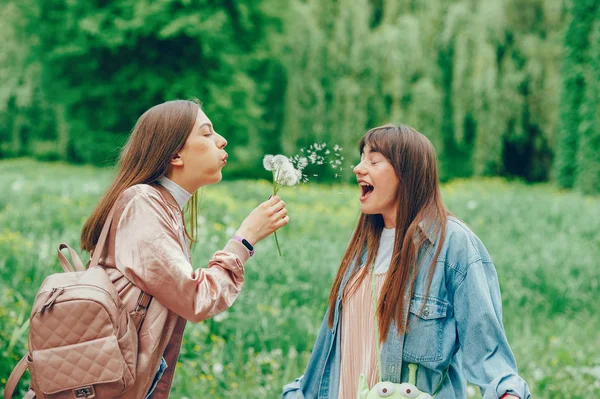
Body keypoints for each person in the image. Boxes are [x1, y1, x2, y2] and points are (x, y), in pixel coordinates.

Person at [283, 125, 530, 399]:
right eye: (361, 157)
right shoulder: (362, 247)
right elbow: (330, 355)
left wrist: (508, 393)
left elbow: (489, 355)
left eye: (374, 160)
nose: (358, 168)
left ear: (406, 173)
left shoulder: (453, 246)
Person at [80, 99, 288, 398]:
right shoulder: (143, 203)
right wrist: (244, 240)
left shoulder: (161, 206)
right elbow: (195, 298)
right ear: (175, 154)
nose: (222, 140)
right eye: (207, 133)